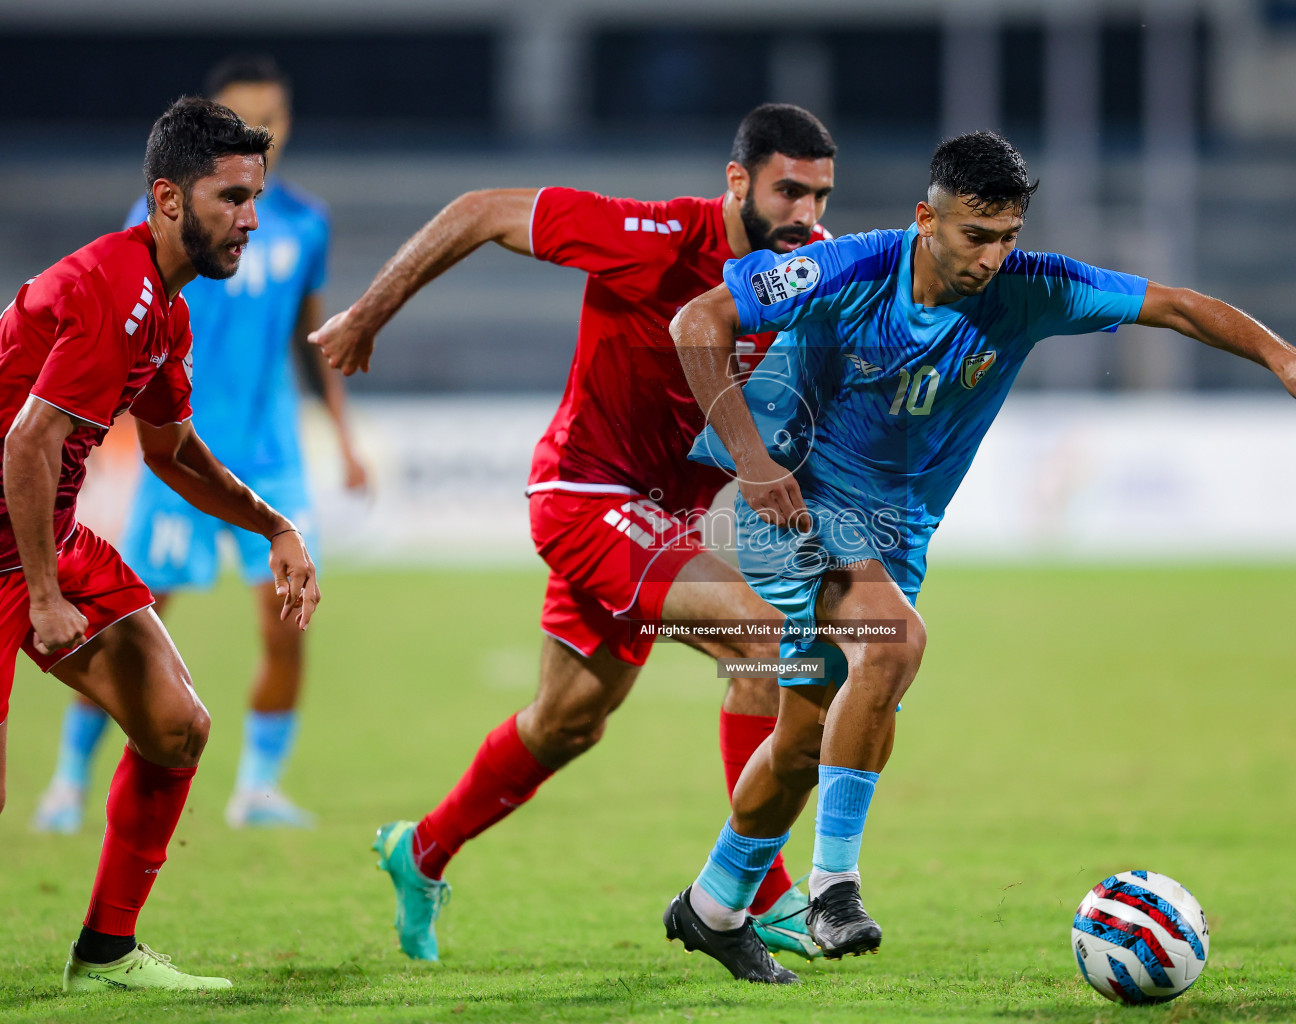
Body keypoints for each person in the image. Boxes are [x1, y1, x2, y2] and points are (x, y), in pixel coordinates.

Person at [662, 130, 1296, 983]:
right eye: (975, 237)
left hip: (897, 532)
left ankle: (711, 906)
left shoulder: (1034, 291)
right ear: (928, 219)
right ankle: (832, 890)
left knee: (806, 739)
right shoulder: (848, 267)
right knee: (897, 643)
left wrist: (1285, 357)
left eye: (1008, 237)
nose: (993, 258)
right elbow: (697, 321)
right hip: (795, 497)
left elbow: (1174, 304)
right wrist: (756, 461)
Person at [309, 104, 834, 973]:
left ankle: (422, 852)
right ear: (737, 181)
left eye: (819, 195)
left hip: (659, 519)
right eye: (788, 191)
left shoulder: (805, 268)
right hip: (586, 496)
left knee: (567, 721)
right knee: (775, 643)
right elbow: (480, 209)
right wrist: (368, 314)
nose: (806, 215)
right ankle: (759, 896)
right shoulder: (653, 235)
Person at [0, 96, 320, 992]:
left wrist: (277, 527)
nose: (250, 220)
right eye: (230, 198)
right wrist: (45, 592)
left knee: (176, 728)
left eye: (254, 198)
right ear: (168, 200)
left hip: (39, 536)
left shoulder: (166, 312)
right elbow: (27, 443)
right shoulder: (113, 288)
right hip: (23, 548)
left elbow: (171, 454)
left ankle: (104, 954)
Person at [32, 54, 364, 835]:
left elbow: (309, 338)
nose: (270, 131)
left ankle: (257, 788)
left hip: (271, 454)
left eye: (277, 116)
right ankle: (70, 779)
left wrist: (343, 437)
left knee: (288, 627)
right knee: (129, 630)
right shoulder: (160, 224)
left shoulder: (304, 223)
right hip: (175, 451)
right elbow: (111, 337)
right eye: (253, 116)